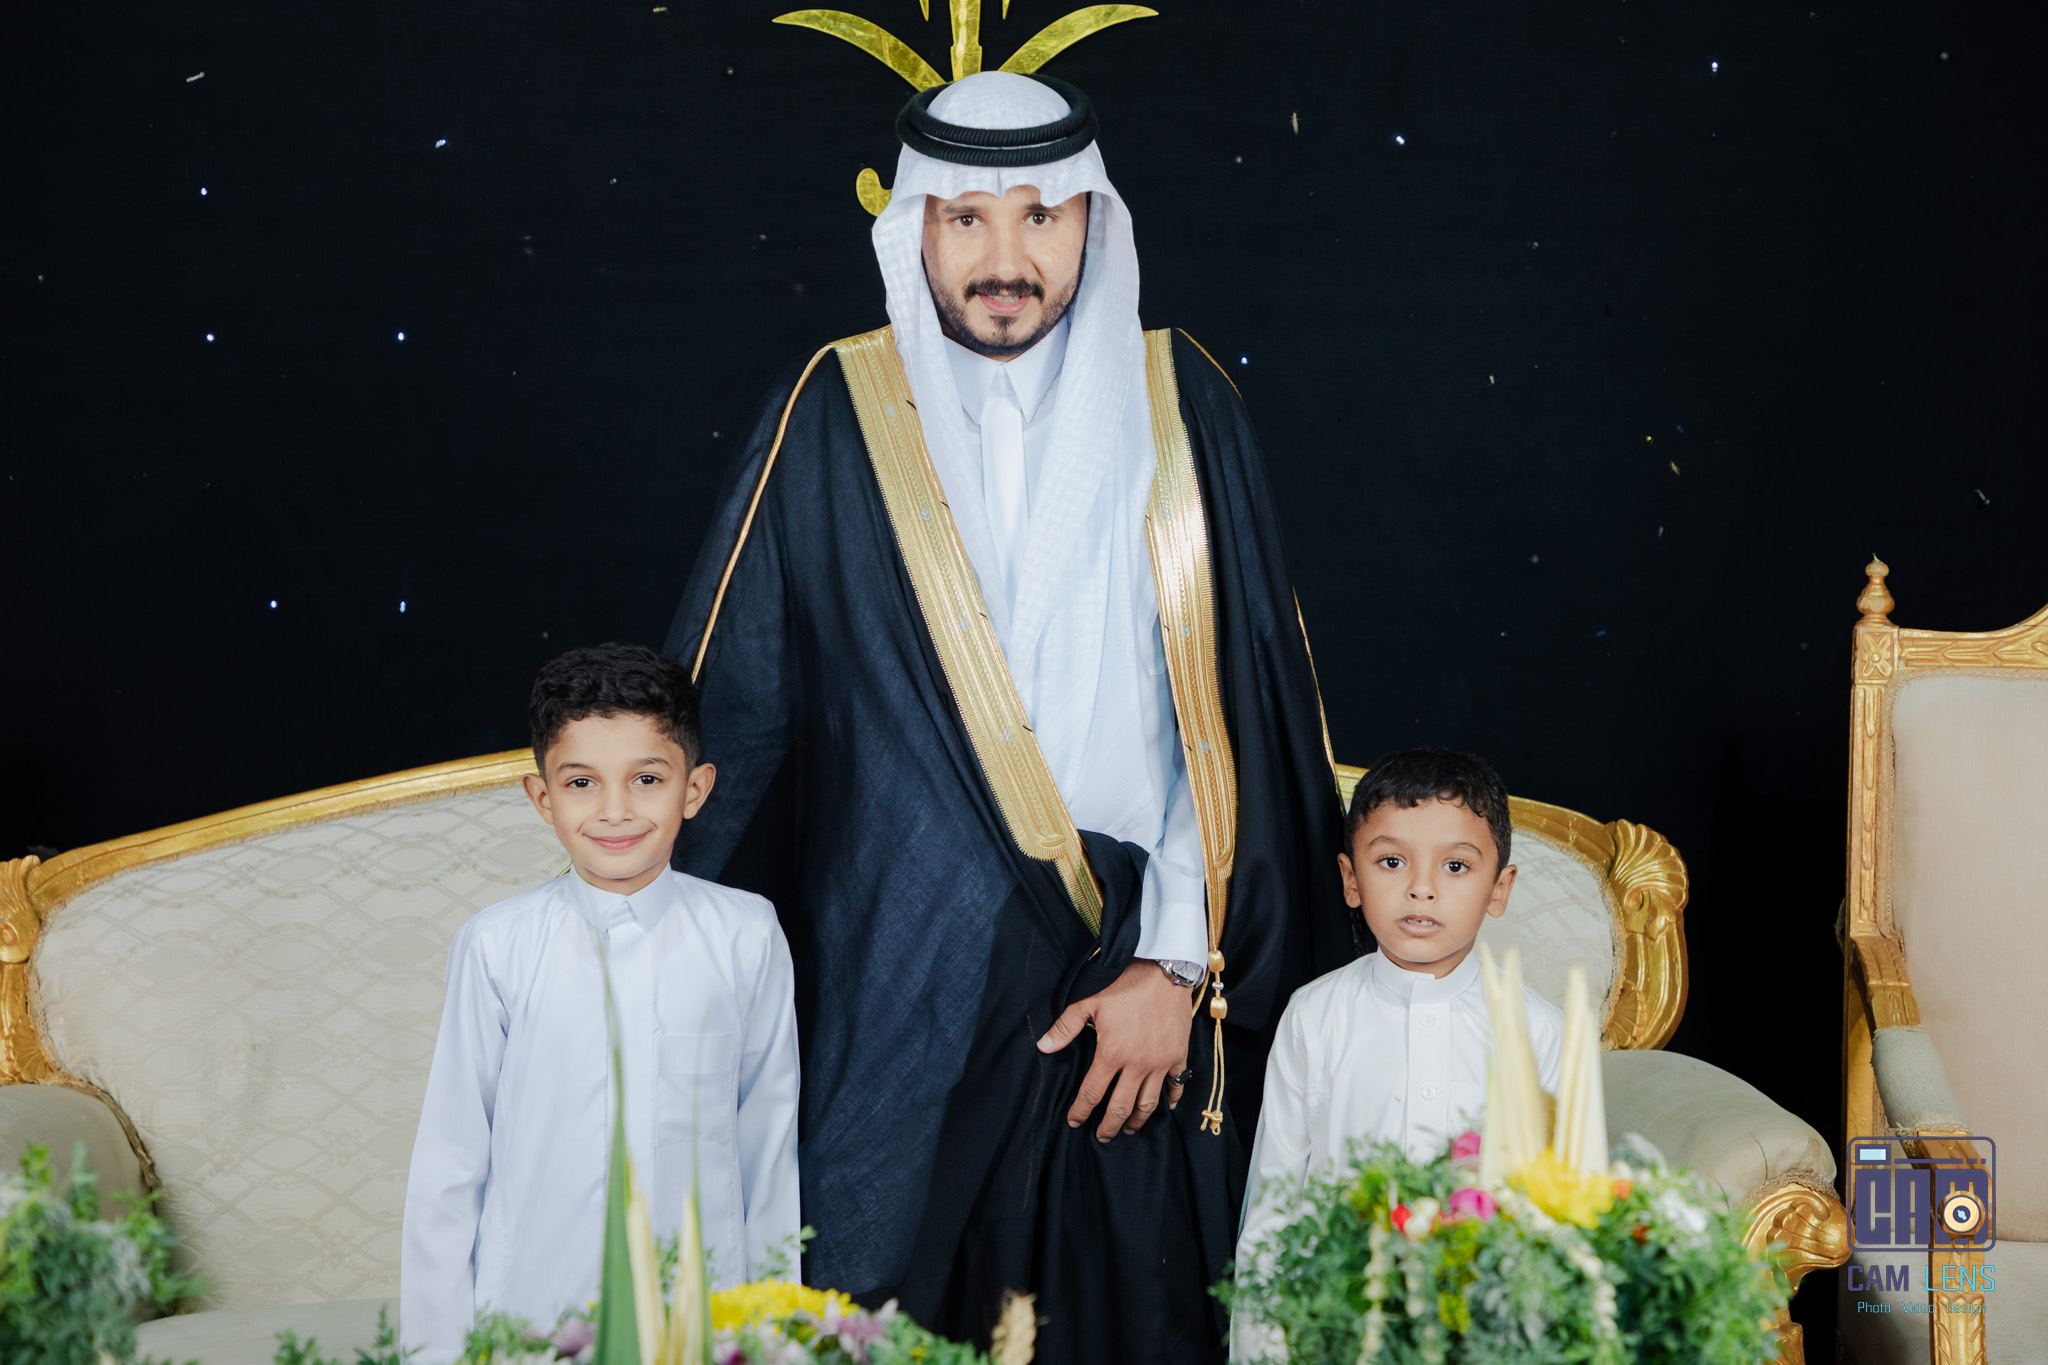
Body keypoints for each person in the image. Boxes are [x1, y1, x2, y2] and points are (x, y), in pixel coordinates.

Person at [665, 70, 1354, 1363]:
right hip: (904, 986)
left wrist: (1178, 965)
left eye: (1041, 215)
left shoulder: (1181, 405)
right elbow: (732, 724)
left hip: (1141, 989)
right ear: (914, 228)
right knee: (882, 1319)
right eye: (965, 218)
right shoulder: (834, 413)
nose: (1003, 260)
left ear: (1095, 220)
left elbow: (1247, 721)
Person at [399, 644, 800, 1362]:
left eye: (647, 778)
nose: (615, 810)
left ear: (694, 789)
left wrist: (773, 1341)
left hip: (699, 1325)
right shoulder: (497, 946)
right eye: (582, 782)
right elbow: (450, 1166)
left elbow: (767, 1154)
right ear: (542, 797)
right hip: (531, 1319)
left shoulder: (746, 934)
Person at [1232, 747, 1564, 1360]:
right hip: (1336, 1327)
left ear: (1500, 888)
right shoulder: (1313, 1015)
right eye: (1391, 861)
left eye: (1456, 867)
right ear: (1350, 880)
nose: (1421, 889)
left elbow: (1559, 1211)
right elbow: (1274, 1204)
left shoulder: (1537, 1030)